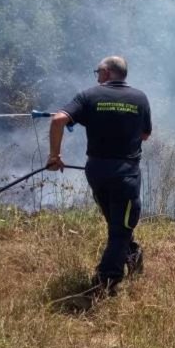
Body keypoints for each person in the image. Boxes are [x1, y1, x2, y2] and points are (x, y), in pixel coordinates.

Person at [48, 56, 152, 297]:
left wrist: (54, 156)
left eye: (98, 71)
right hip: (125, 173)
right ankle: (106, 281)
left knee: (117, 223)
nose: (96, 76)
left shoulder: (89, 96)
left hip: (96, 171)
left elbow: (58, 119)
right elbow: (146, 135)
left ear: (106, 72)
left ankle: (133, 255)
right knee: (122, 226)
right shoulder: (140, 98)